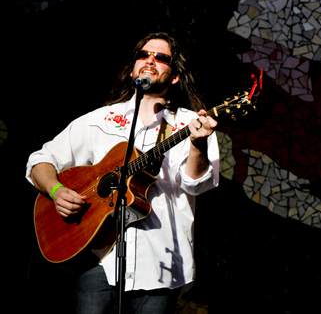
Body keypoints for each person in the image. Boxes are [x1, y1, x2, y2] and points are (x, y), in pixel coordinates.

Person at [27, 32, 219, 314]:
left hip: (160, 267)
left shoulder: (191, 123)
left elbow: (195, 183)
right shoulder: (100, 120)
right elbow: (40, 161)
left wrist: (198, 145)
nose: (150, 60)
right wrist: (56, 191)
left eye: (161, 57)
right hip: (98, 260)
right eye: (144, 55)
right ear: (132, 70)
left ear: (175, 76)